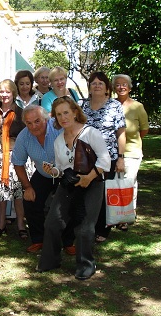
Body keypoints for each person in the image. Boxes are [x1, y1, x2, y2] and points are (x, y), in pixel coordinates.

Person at [37, 96, 110, 279]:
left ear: (75, 112)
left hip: (93, 183)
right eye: (59, 114)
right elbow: (62, 169)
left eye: (66, 112)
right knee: (52, 222)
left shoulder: (91, 133)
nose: (63, 117)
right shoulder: (59, 140)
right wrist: (53, 170)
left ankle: (86, 264)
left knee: (85, 227)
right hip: (69, 185)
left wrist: (89, 177)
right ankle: (51, 260)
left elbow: (105, 159)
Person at [82, 71, 126, 243]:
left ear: (107, 87)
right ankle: (87, 226)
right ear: (90, 88)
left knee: (106, 194)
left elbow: (121, 133)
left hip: (109, 157)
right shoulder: (82, 105)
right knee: (88, 193)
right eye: (94, 83)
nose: (97, 85)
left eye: (101, 83)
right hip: (86, 157)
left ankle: (102, 229)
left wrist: (121, 158)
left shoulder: (115, 106)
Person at [10, 105, 61, 253]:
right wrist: (27, 187)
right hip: (43, 174)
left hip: (64, 173)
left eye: (37, 121)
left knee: (66, 203)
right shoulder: (24, 136)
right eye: (29, 123)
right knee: (30, 200)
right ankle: (38, 240)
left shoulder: (58, 128)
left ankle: (68, 241)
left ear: (46, 119)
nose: (33, 126)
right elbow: (18, 163)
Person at [0, 79, 28, 239]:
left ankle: (21, 225)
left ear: (13, 93)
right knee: (0, 193)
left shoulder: (20, 112)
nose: (4, 95)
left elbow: (26, 134)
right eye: (1, 91)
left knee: (18, 192)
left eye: (7, 92)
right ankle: (1, 225)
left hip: (16, 156)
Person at [113, 74, 149, 222]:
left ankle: (126, 216)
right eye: (118, 84)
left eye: (124, 84)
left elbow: (144, 129)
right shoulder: (110, 104)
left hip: (132, 151)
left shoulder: (137, 106)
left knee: (128, 181)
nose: (121, 87)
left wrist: (132, 140)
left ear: (129, 87)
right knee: (117, 183)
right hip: (114, 152)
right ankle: (117, 214)